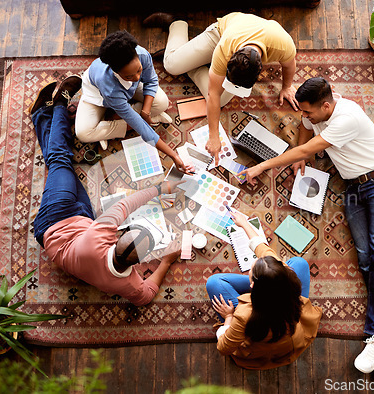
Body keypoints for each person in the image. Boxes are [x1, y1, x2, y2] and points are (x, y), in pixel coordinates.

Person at [240, 76, 374, 378]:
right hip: (354, 188)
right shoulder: (319, 111)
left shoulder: (346, 119)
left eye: (308, 112)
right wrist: (300, 151)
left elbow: (313, 141)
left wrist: (263, 166)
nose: (303, 117)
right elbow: (306, 132)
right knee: (367, 259)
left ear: (327, 106)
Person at [30, 77, 182, 306]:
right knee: (63, 165)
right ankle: (47, 110)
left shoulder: (99, 234)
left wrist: (161, 188)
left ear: (116, 238)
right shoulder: (128, 284)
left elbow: (127, 204)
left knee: (60, 161)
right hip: (81, 224)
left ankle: (54, 108)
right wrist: (166, 262)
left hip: (53, 222)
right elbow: (147, 295)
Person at [144, 12, 299, 164]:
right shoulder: (224, 50)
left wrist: (286, 86)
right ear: (228, 63)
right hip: (219, 34)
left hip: (247, 39)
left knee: (223, 100)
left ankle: (193, 63)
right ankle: (177, 22)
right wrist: (213, 136)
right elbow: (213, 94)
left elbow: (290, 64)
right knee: (171, 65)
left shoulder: (282, 44)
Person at [205, 208, 322, 370]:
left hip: (261, 338)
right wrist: (244, 224)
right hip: (292, 328)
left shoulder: (244, 315)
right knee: (300, 263)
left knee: (213, 283)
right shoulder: (286, 275)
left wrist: (229, 317)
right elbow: (262, 248)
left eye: (250, 275)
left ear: (253, 287)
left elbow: (224, 348)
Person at [76, 30, 191, 174]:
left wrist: (146, 111)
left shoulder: (142, 54)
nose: (137, 78)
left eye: (139, 70)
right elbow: (143, 130)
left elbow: (151, 80)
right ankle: (112, 118)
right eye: (129, 76)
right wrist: (174, 155)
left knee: (162, 103)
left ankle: (113, 125)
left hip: (125, 92)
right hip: (99, 95)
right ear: (116, 72)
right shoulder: (111, 89)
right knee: (83, 133)